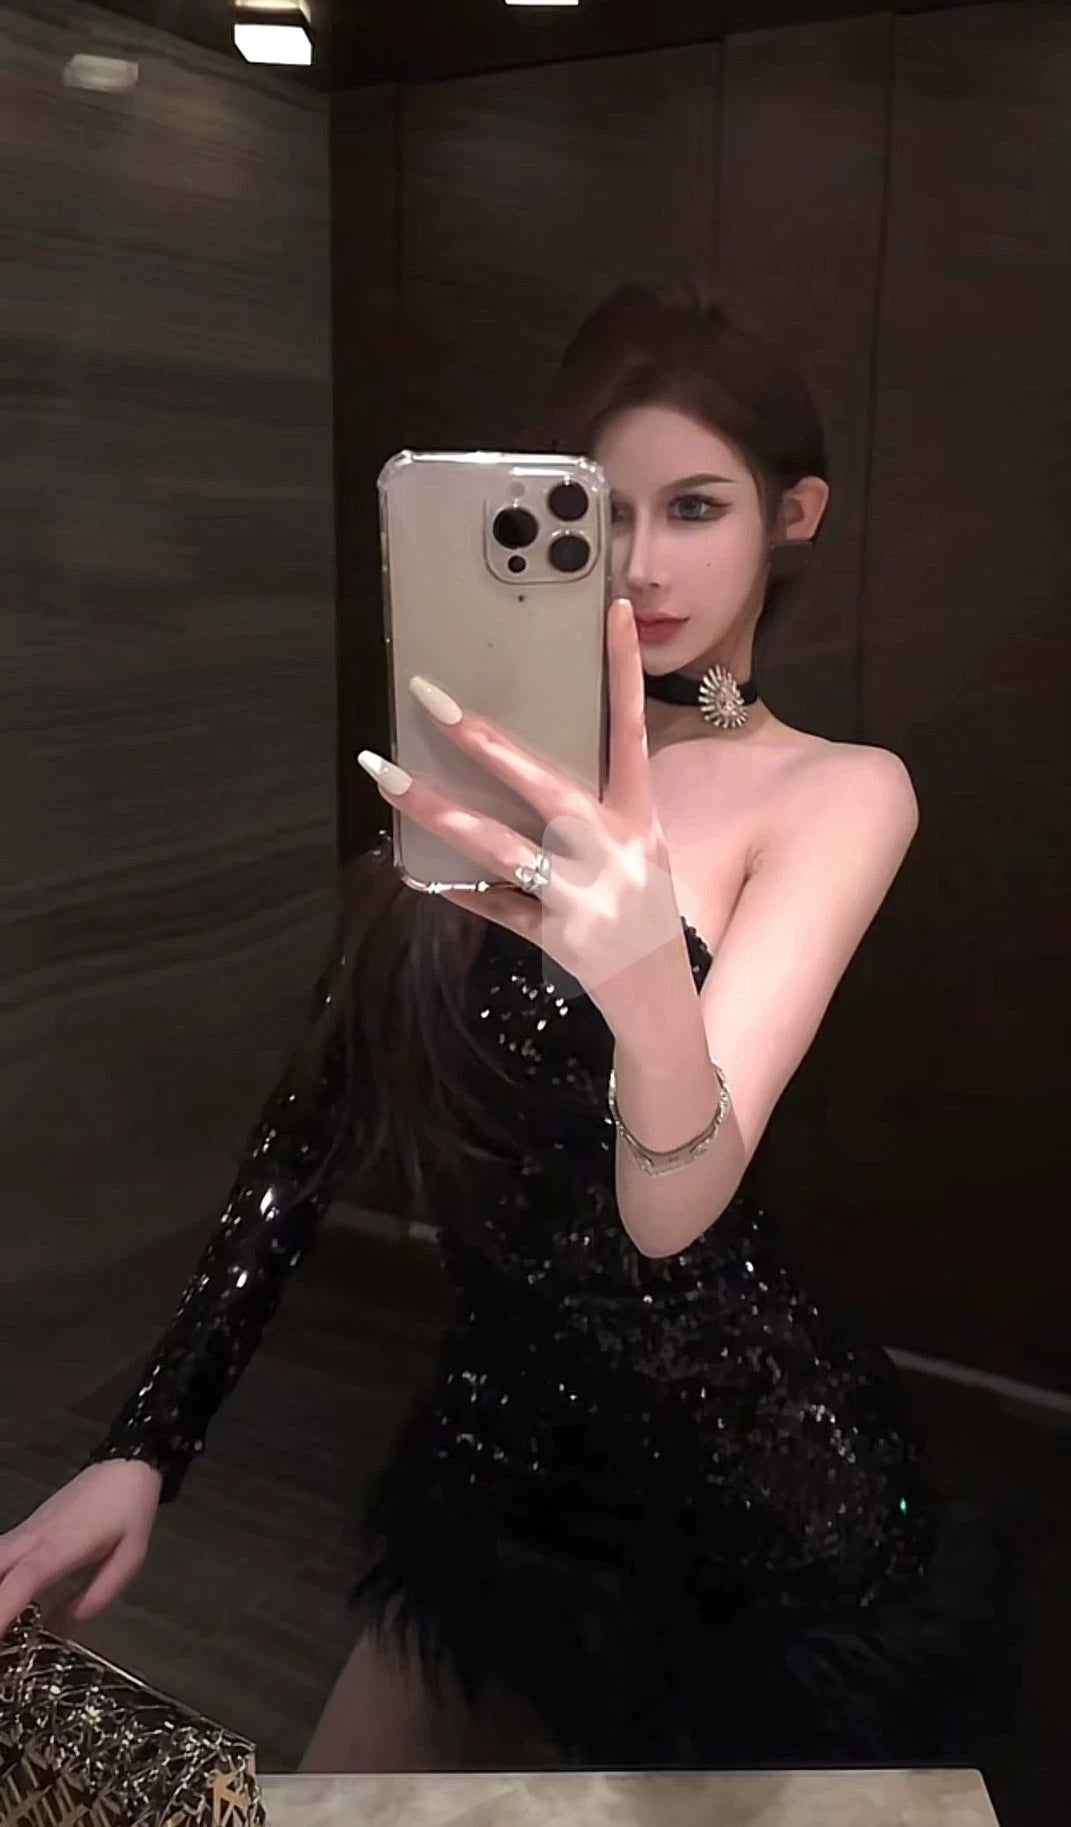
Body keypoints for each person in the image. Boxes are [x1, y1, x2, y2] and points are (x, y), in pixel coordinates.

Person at [0, 284, 1015, 1773]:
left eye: (697, 507)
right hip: (494, 1454)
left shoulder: (840, 791)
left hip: (745, 1495)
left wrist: (644, 977)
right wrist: (149, 1442)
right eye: (605, 512)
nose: (645, 564)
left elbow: (674, 1211)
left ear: (792, 517)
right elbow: (311, 1127)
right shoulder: (484, 777)